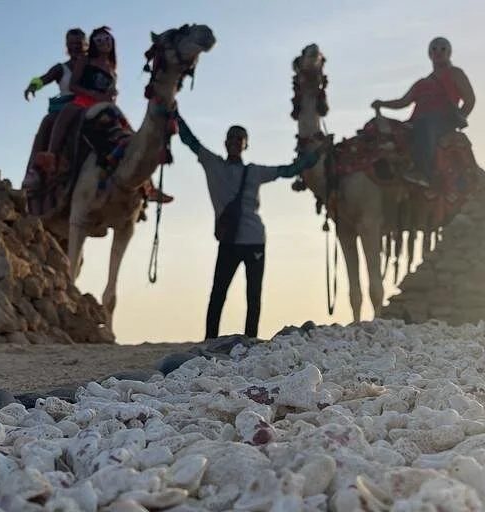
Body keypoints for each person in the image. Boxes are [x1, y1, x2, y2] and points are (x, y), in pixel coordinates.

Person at [177, 117, 327, 339]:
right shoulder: (237, 168)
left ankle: (225, 340)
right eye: (234, 138)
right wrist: (317, 154)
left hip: (244, 239)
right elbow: (289, 170)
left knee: (229, 294)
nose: (236, 143)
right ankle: (233, 341)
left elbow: (190, 141)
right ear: (231, 143)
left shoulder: (218, 165)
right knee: (237, 294)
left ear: (241, 145)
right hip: (242, 240)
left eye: (239, 139)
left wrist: (173, 114)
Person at [37, 26, 171, 202]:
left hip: (105, 107)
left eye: (107, 40)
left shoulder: (111, 68)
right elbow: (68, 84)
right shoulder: (76, 64)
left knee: (131, 138)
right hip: (78, 102)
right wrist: (35, 84)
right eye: (99, 40)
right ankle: (50, 156)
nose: (75, 47)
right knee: (56, 119)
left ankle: (147, 186)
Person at [371, 37, 475, 186]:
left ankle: (423, 173)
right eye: (434, 49)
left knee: (424, 124)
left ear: (449, 53)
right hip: (417, 120)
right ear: (430, 54)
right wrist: (382, 104)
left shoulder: (455, 73)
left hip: (440, 121)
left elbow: (470, 99)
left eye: (442, 49)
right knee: (384, 129)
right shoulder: (422, 83)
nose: (438, 52)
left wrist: (458, 118)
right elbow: (403, 102)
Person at [22, 28, 87, 191]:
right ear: (66, 45)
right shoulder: (61, 68)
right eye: (71, 44)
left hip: (90, 104)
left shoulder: (93, 64)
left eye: (78, 43)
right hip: (66, 107)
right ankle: (34, 171)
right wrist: (34, 85)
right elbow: (44, 78)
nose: (75, 47)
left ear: (85, 44)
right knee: (47, 123)